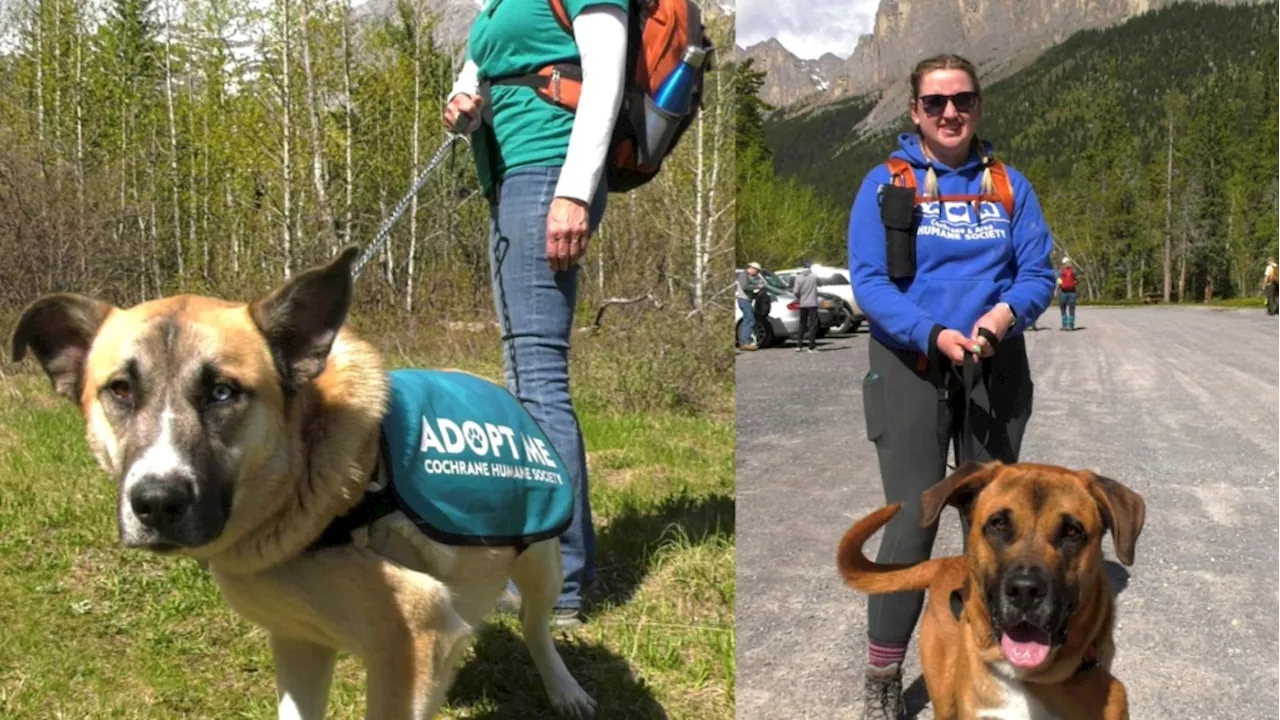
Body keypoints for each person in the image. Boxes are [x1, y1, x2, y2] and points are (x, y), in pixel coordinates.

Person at [846, 53, 1056, 718]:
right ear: (914, 111)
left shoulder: (1009, 187)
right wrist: (932, 331)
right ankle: (884, 675)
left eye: (961, 99)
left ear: (978, 105)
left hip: (994, 364)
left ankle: (988, 659)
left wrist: (999, 320)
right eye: (934, 102)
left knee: (995, 527)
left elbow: (1037, 274)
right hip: (912, 364)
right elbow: (869, 283)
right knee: (912, 524)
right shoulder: (886, 183)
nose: (949, 112)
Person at [442, 0, 631, 628]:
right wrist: (464, 101)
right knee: (524, 376)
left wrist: (574, 191)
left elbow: (604, 74)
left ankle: (563, 579)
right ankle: (540, 564)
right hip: (512, 176)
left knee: (539, 380)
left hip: (547, 171)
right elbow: (488, 66)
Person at [792, 259, 820, 353]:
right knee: (813, 324)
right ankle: (811, 346)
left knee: (802, 324)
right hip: (812, 303)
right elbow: (819, 285)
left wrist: (800, 297)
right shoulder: (814, 276)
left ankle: (799, 345)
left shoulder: (798, 277)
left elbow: (795, 291)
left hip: (803, 303)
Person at [737, 267, 760, 351]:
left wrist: (755, 295)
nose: (756, 273)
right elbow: (745, 287)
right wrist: (757, 286)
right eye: (756, 271)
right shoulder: (744, 275)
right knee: (750, 320)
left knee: (747, 321)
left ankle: (744, 341)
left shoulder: (747, 276)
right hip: (744, 301)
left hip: (746, 300)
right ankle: (745, 342)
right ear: (752, 269)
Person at [1057, 256, 1078, 330]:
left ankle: (1064, 325)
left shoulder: (1060, 272)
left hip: (1063, 292)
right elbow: (1076, 281)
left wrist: (1056, 290)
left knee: (1063, 308)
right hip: (1072, 292)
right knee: (1071, 309)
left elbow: (1059, 282)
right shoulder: (1074, 271)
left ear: (1063, 263)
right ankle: (1071, 325)